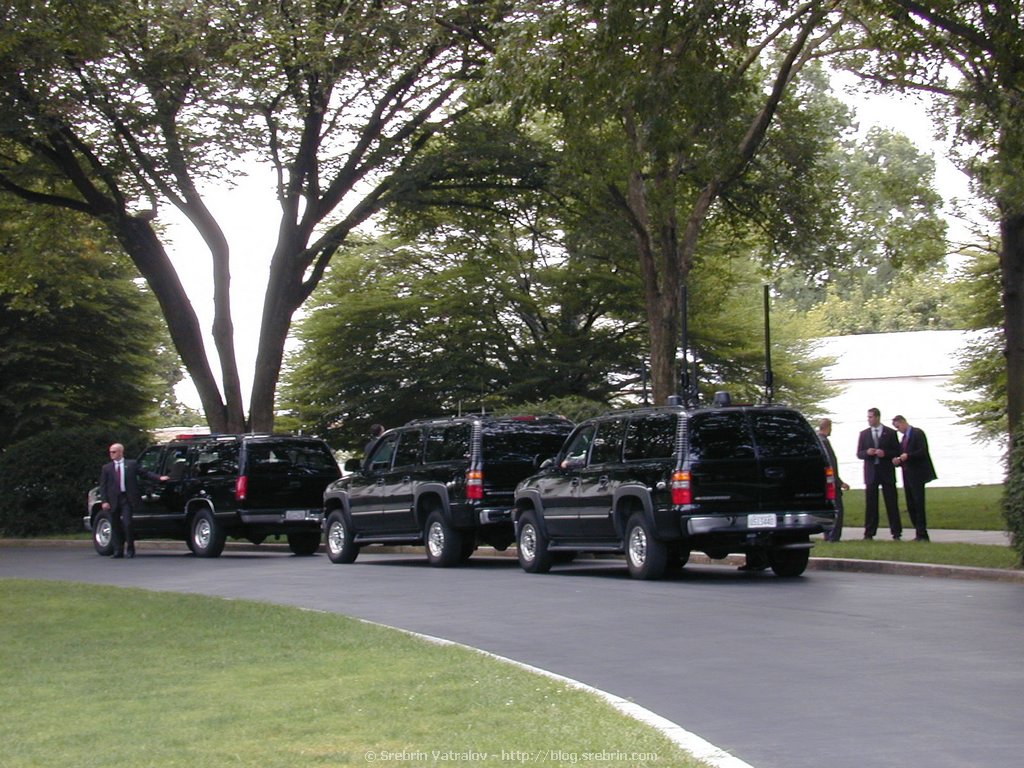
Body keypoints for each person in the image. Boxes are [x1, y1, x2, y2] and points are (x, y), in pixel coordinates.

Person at [98, 443, 168, 558]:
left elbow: (144, 474)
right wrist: (104, 501)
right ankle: (118, 550)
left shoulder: (131, 464)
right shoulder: (107, 468)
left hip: (126, 498)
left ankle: (130, 548)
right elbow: (103, 486)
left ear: (121, 452)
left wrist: (159, 478)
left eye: (114, 452)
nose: (111, 454)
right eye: (110, 452)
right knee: (114, 525)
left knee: (127, 523)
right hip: (113, 499)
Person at [856, 408, 903, 540]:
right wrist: (867, 453)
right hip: (871, 472)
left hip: (886, 471)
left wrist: (885, 453)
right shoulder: (864, 434)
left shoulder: (890, 433)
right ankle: (869, 532)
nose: (869, 419)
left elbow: (897, 451)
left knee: (891, 502)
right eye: (868, 417)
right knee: (871, 503)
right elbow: (859, 453)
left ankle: (896, 532)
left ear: (877, 417)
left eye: (870, 417)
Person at [891, 415, 938, 541]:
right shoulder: (903, 439)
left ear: (903, 422)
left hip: (917, 474)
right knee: (910, 504)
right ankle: (918, 531)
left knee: (918, 503)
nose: (898, 430)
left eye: (898, 426)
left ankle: (922, 533)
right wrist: (898, 461)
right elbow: (902, 455)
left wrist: (909, 456)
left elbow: (922, 451)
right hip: (907, 474)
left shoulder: (917, 433)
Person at [817, 418, 850, 542]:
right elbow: (830, 465)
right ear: (828, 427)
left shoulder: (818, 441)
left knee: (827, 508)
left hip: (824, 481)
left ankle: (827, 534)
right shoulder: (824, 442)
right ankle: (833, 536)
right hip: (830, 482)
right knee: (837, 509)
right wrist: (838, 482)